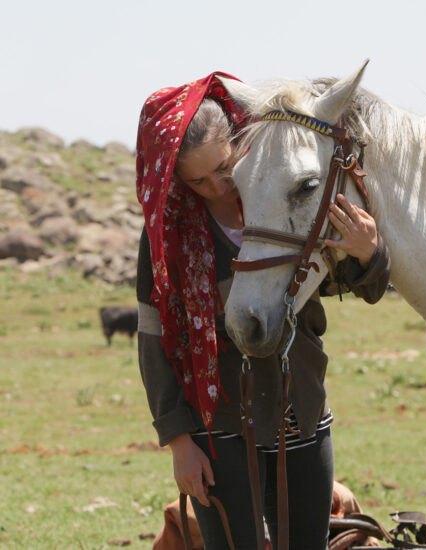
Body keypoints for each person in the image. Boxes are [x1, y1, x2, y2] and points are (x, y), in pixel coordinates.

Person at [135, 72, 391, 550]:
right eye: (197, 180)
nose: (217, 185)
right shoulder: (165, 240)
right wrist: (178, 443)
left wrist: (368, 253)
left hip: (302, 410)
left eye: (224, 167)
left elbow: (365, 288)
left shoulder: (282, 201)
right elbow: (153, 343)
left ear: (239, 143)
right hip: (217, 426)